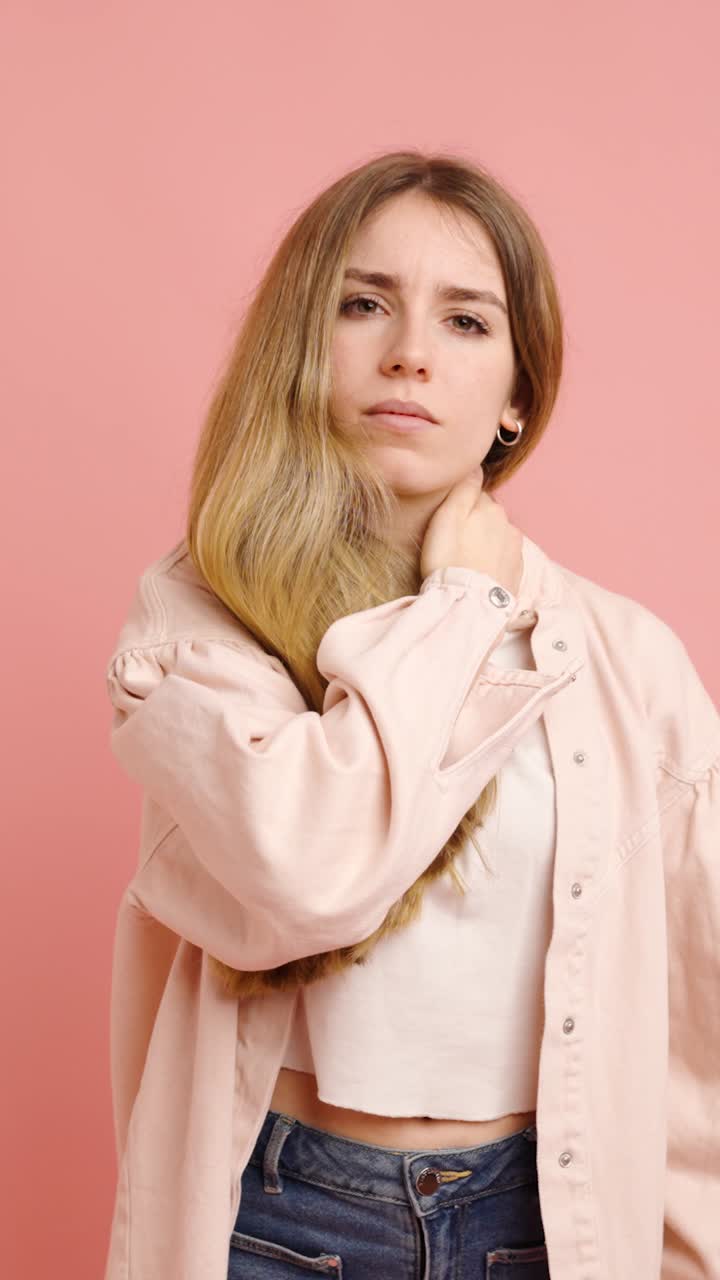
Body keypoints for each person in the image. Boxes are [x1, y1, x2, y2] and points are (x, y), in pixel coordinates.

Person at [102, 151, 720, 1280]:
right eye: (363, 303)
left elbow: (696, 1043)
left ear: (518, 393)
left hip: (541, 1220)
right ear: (305, 342)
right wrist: (465, 602)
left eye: (468, 321)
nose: (411, 354)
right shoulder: (202, 616)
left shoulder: (629, 661)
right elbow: (306, 870)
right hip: (279, 1219)